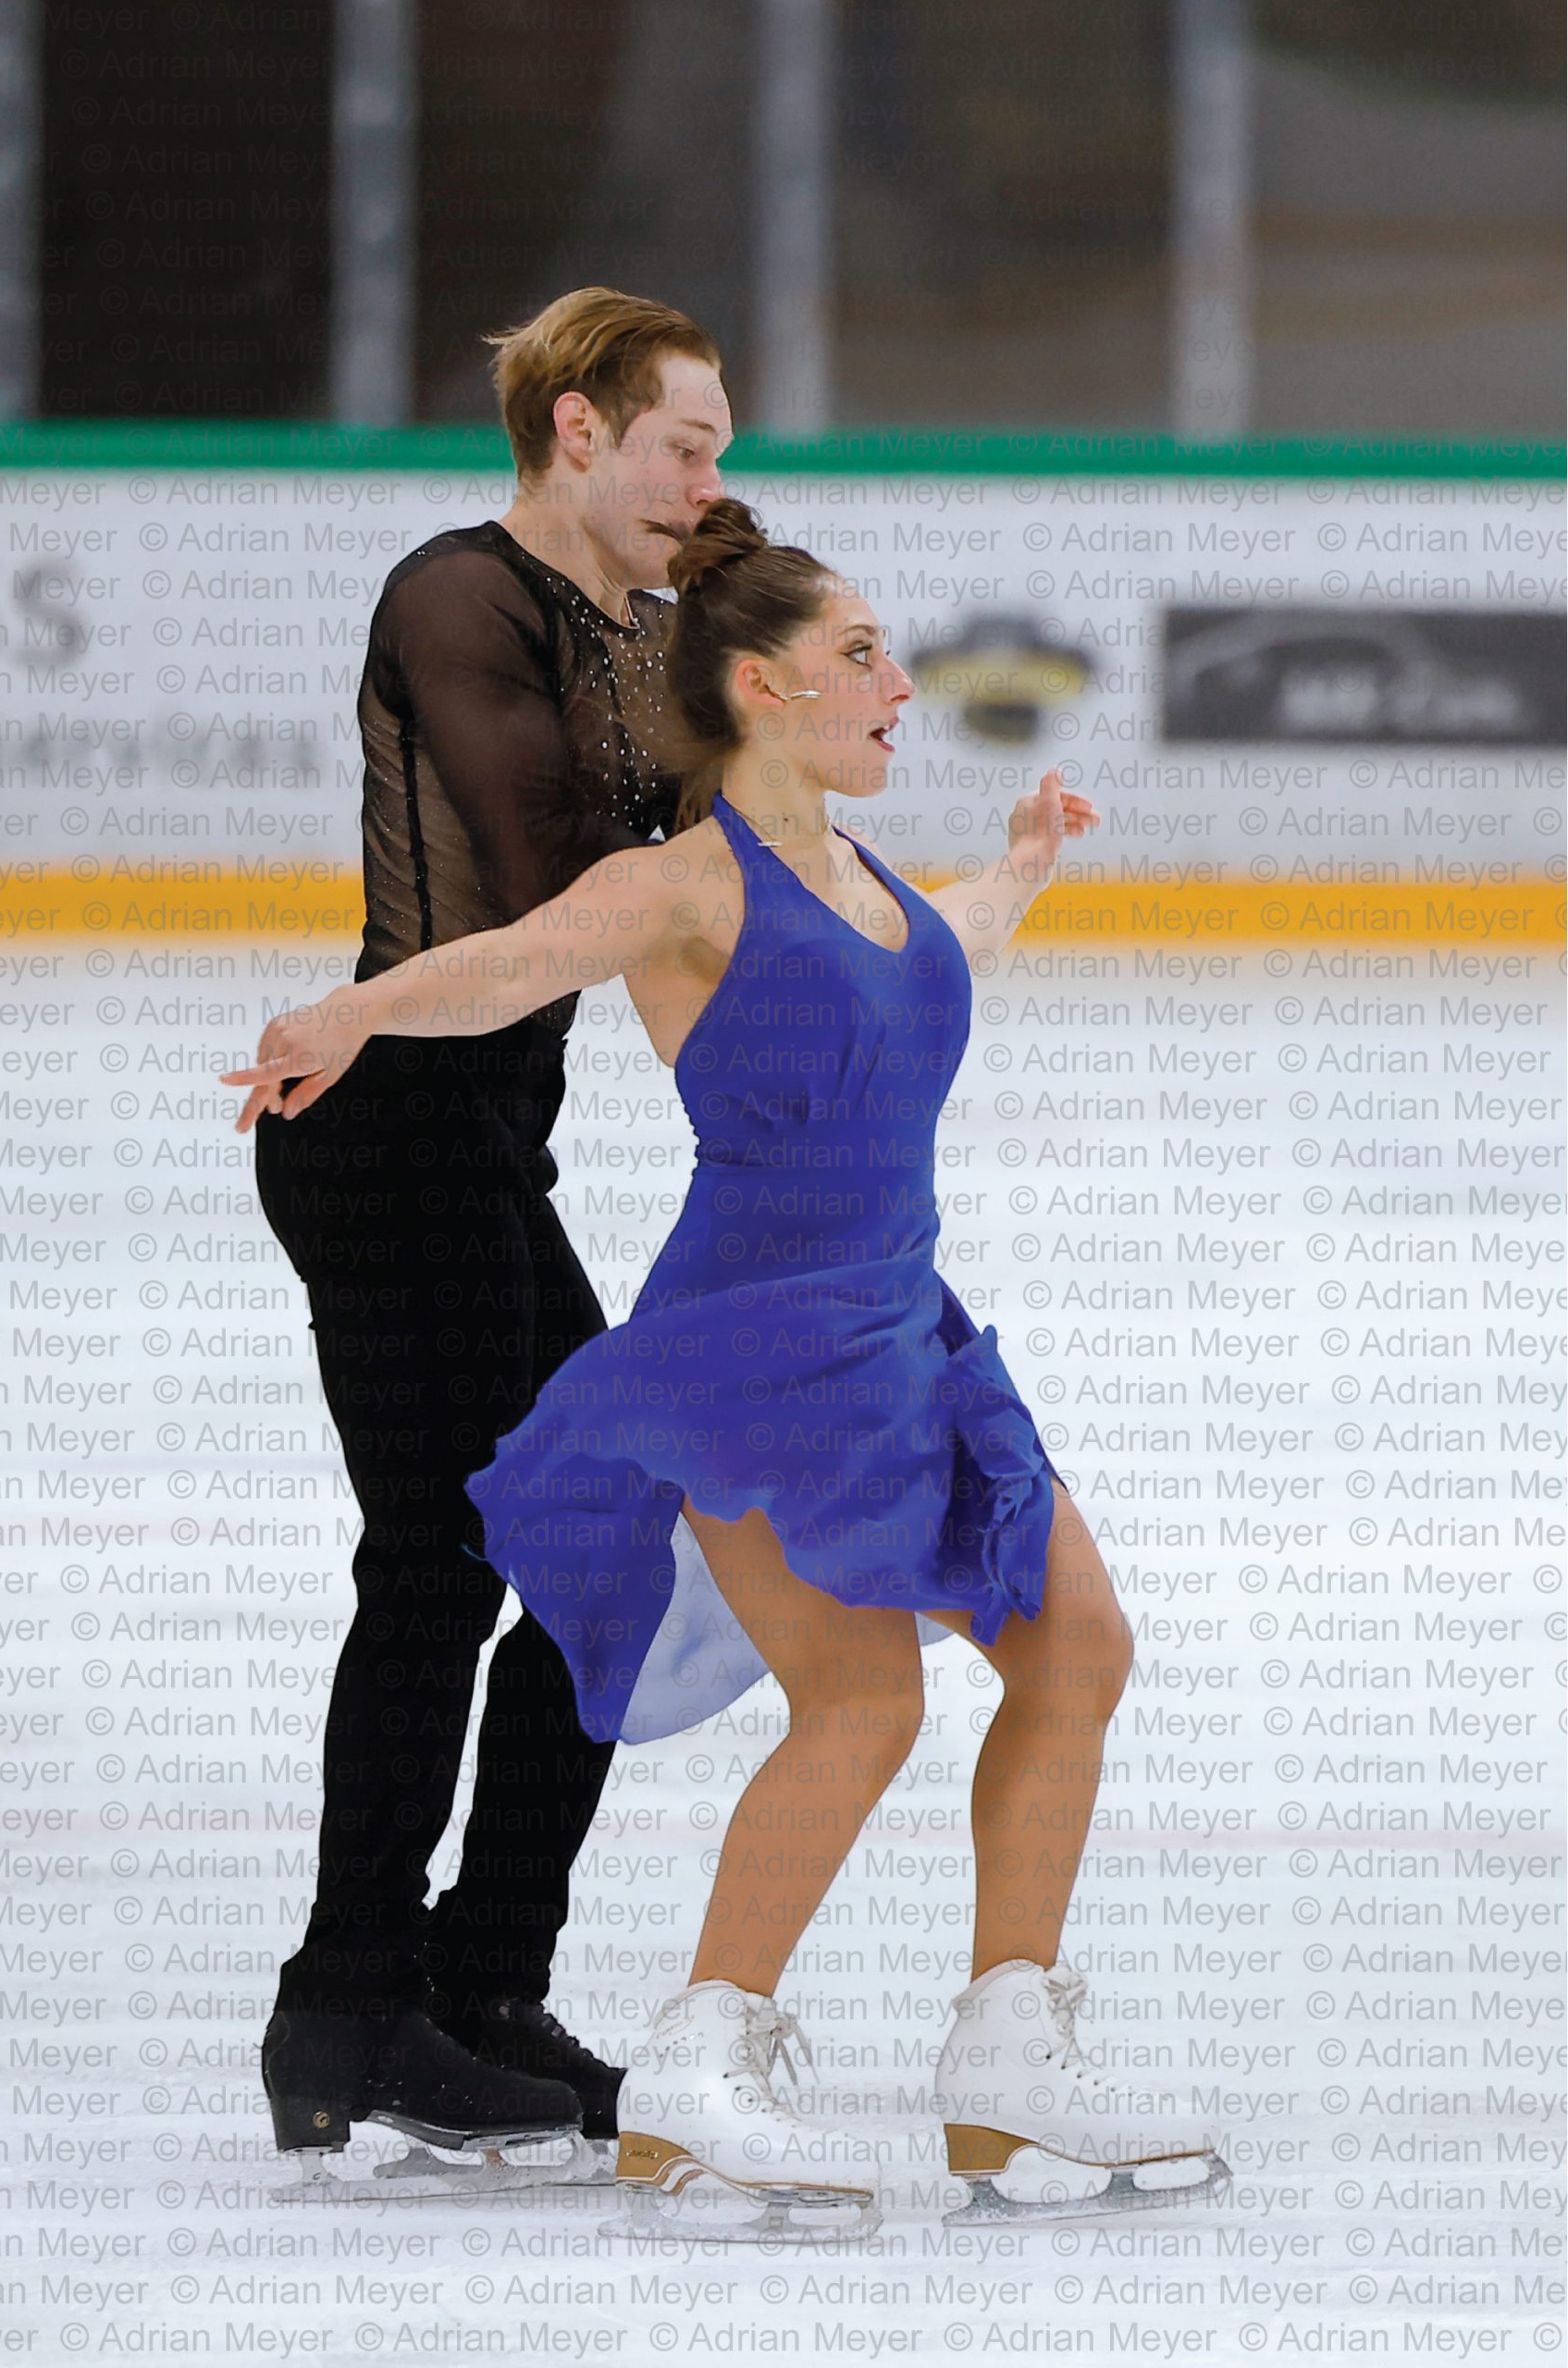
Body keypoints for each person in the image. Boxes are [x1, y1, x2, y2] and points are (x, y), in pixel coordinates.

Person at [225, 499, 1230, 2232]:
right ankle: (699, 2067)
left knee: (1078, 1647)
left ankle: (1006, 2056)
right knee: (864, 1702)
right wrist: (355, 1012)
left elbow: (935, 961)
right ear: (764, 686)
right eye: (863, 656)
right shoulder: (689, 881)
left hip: (908, 1330)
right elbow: (512, 963)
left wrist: (1020, 870)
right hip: (761, 1350)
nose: (900, 685)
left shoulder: (869, 880)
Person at [247, 287, 733, 2181]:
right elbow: (554, 871)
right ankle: (352, 2002)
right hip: (384, 1137)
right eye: (683, 447)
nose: (708, 486)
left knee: (611, 1542)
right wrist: (721, 756)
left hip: (484, 1147)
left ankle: (477, 1978)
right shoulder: (456, 595)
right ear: (579, 432)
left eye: (719, 455)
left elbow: (736, 846)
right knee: (441, 1562)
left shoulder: (652, 631)